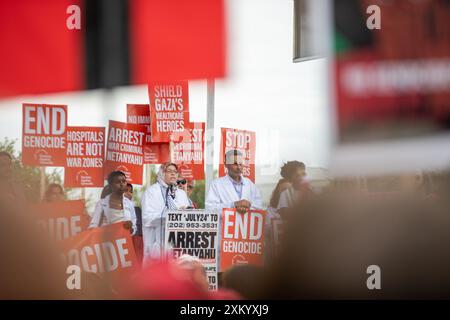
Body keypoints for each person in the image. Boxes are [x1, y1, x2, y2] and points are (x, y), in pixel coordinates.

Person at [141, 162, 190, 263]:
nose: (173, 174)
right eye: (169, 171)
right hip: (157, 246)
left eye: (175, 172)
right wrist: (170, 215)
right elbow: (147, 218)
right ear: (162, 173)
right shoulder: (151, 192)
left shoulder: (181, 194)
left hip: (177, 246)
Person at [205, 149, 263, 214]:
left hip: (245, 223)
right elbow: (210, 209)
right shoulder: (216, 184)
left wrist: (247, 206)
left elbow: (259, 206)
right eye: (235, 164)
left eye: (240, 164)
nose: (238, 167)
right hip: (225, 224)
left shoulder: (250, 184)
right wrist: (233, 205)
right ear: (226, 164)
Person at [89, 171, 137, 235]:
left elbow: (134, 228)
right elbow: (93, 226)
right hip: (106, 241)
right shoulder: (101, 204)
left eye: (124, 181)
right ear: (111, 185)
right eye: (117, 182)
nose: (121, 184)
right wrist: (104, 231)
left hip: (123, 242)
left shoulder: (129, 203)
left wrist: (130, 228)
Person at [125, 183, 144, 264]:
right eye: (126, 191)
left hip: (136, 245)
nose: (129, 193)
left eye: (131, 191)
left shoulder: (137, 210)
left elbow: (140, 231)